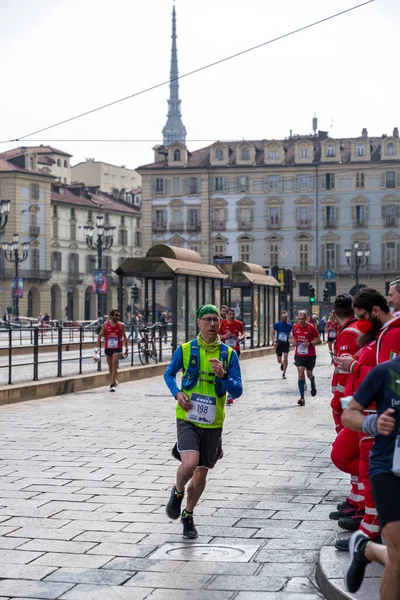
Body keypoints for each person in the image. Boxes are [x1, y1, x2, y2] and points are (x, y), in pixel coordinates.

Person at [164, 304, 242, 539]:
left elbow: (237, 391)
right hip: (187, 417)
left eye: (215, 320)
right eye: (207, 319)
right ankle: (177, 493)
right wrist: (177, 393)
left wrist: (224, 376)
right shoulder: (186, 349)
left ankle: (188, 515)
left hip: (213, 421)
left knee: (200, 475)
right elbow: (168, 374)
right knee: (189, 464)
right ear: (198, 322)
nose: (212, 324)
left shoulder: (229, 354)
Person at [334, 288, 400, 543]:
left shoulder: (391, 334)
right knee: (348, 458)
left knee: (372, 469)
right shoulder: (381, 333)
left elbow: (386, 376)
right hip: (365, 410)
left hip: (376, 412)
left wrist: (353, 366)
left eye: (393, 294)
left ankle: (372, 529)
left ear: (373, 311)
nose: (390, 298)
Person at [342, 357, 400, 598]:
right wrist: (372, 422)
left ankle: (367, 549)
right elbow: (349, 414)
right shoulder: (386, 372)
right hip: (389, 471)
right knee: (399, 558)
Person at [327, 295, 363, 537]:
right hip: (353, 399)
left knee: (349, 450)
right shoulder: (353, 329)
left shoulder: (349, 333)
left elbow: (344, 373)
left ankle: (360, 501)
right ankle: (356, 497)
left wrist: (338, 404)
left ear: (334, 312)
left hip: (348, 401)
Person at [290, 310, 321, 406]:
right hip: (299, 354)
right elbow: (291, 337)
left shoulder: (311, 327)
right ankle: (302, 397)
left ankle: (312, 381)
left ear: (306, 318)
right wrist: (293, 342)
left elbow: (319, 340)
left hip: (310, 355)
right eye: (299, 319)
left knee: (309, 374)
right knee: (300, 372)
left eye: (302, 319)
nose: (300, 321)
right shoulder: (295, 327)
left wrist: (310, 344)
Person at [97, 308, 128, 392]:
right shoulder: (105, 324)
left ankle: (111, 385)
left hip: (117, 347)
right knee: (110, 366)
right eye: (116, 315)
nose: (118, 317)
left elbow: (125, 337)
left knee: (114, 363)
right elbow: (100, 336)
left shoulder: (121, 325)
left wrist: (126, 349)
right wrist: (97, 349)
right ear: (111, 316)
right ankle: (114, 380)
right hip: (108, 347)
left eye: (119, 315)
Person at [219, 307, 245, 404]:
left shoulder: (238, 323)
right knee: (224, 370)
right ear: (226, 315)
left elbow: (243, 333)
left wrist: (240, 338)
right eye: (230, 314)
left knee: (232, 371)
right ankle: (223, 390)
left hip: (235, 350)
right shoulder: (222, 323)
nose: (232, 316)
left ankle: (230, 395)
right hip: (224, 351)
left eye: (233, 314)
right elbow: (217, 336)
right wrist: (225, 336)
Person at [272, 311, 293, 379]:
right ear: (281, 317)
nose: (284, 318)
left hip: (286, 343)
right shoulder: (277, 324)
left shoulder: (289, 325)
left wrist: (291, 339)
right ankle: (282, 363)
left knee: (286, 356)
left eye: (286, 316)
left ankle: (284, 373)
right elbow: (272, 333)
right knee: (279, 360)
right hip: (279, 343)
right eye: (283, 316)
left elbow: (291, 334)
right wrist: (274, 341)